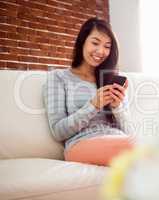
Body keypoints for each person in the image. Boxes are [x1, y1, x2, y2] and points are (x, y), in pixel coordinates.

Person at [43, 17, 135, 166]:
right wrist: (93, 105)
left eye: (107, 46)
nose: (101, 51)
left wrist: (117, 107)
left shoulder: (111, 79)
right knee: (144, 148)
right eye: (95, 43)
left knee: (151, 146)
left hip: (118, 140)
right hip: (81, 144)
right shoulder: (58, 78)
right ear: (82, 42)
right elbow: (58, 131)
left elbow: (129, 130)